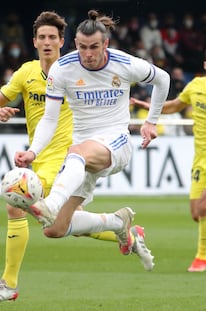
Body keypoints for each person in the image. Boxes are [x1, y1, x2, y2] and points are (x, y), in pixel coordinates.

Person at [0, 10, 160, 305]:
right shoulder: (27, 73)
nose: (47, 42)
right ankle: (119, 225)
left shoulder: (75, 70)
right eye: (42, 37)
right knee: (56, 228)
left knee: (16, 202)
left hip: (73, 155)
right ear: (34, 41)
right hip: (45, 155)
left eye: (53, 37)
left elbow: (128, 81)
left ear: (64, 41)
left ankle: (8, 284)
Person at [14, 8, 169, 277]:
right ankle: (117, 221)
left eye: (94, 47)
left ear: (105, 43)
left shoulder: (124, 63)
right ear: (75, 44)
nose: (88, 53)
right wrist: (33, 151)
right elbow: (49, 119)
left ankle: (51, 203)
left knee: (76, 154)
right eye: (83, 47)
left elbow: (163, 79)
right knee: (55, 230)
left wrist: (151, 121)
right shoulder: (62, 70)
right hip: (82, 154)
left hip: (115, 143)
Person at [131, 44, 206, 272]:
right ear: (205, 64)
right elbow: (175, 106)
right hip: (200, 158)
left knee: (205, 208)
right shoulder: (195, 86)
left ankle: (201, 258)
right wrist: (149, 108)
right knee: (196, 214)